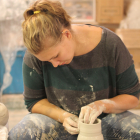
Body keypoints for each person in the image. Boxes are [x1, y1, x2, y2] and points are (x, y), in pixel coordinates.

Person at [8, 0, 140, 139]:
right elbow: (33, 101)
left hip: (104, 120)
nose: (54, 64)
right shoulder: (36, 54)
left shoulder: (111, 44)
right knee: (20, 134)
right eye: (47, 61)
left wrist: (102, 105)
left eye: (56, 56)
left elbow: (132, 97)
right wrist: (63, 116)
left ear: (67, 35)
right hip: (59, 121)